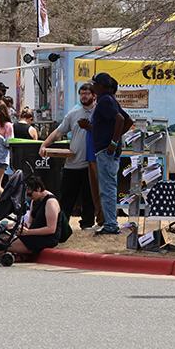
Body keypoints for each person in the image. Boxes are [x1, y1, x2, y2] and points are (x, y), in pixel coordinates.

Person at [39, 83, 97, 231]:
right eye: (82, 94)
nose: (84, 96)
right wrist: (44, 144)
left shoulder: (99, 112)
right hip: (72, 163)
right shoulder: (74, 113)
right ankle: (61, 226)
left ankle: (87, 224)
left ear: (94, 95)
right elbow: (59, 132)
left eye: (87, 93)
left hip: (91, 164)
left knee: (89, 197)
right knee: (66, 197)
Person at [82, 73, 132, 236]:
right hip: (107, 150)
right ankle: (110, 223)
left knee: (107, 188)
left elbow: (120, 120)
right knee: (108, 187)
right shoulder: (110, 100)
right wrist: (112, 137)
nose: (93, 87)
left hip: (106, 151)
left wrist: (113, 142)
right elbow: (127, 121)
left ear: (101, 86)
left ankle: (110, 224)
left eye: (95, 84)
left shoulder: (104, 100)